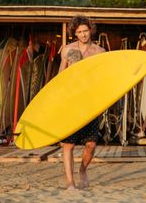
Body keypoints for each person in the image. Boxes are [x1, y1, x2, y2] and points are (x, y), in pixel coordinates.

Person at [58, 15, 105, 190]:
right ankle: (70, 182)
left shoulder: (100, 52)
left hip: (90, 103)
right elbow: (60, 76)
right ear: (75, 33)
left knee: (91, 144)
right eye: (79, 32)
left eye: (85, 31)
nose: (83, 35)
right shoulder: (67, 50)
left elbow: (104, 79)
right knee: (68, 145)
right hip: (71, 101)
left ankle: (83, 170)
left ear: (90, 30)